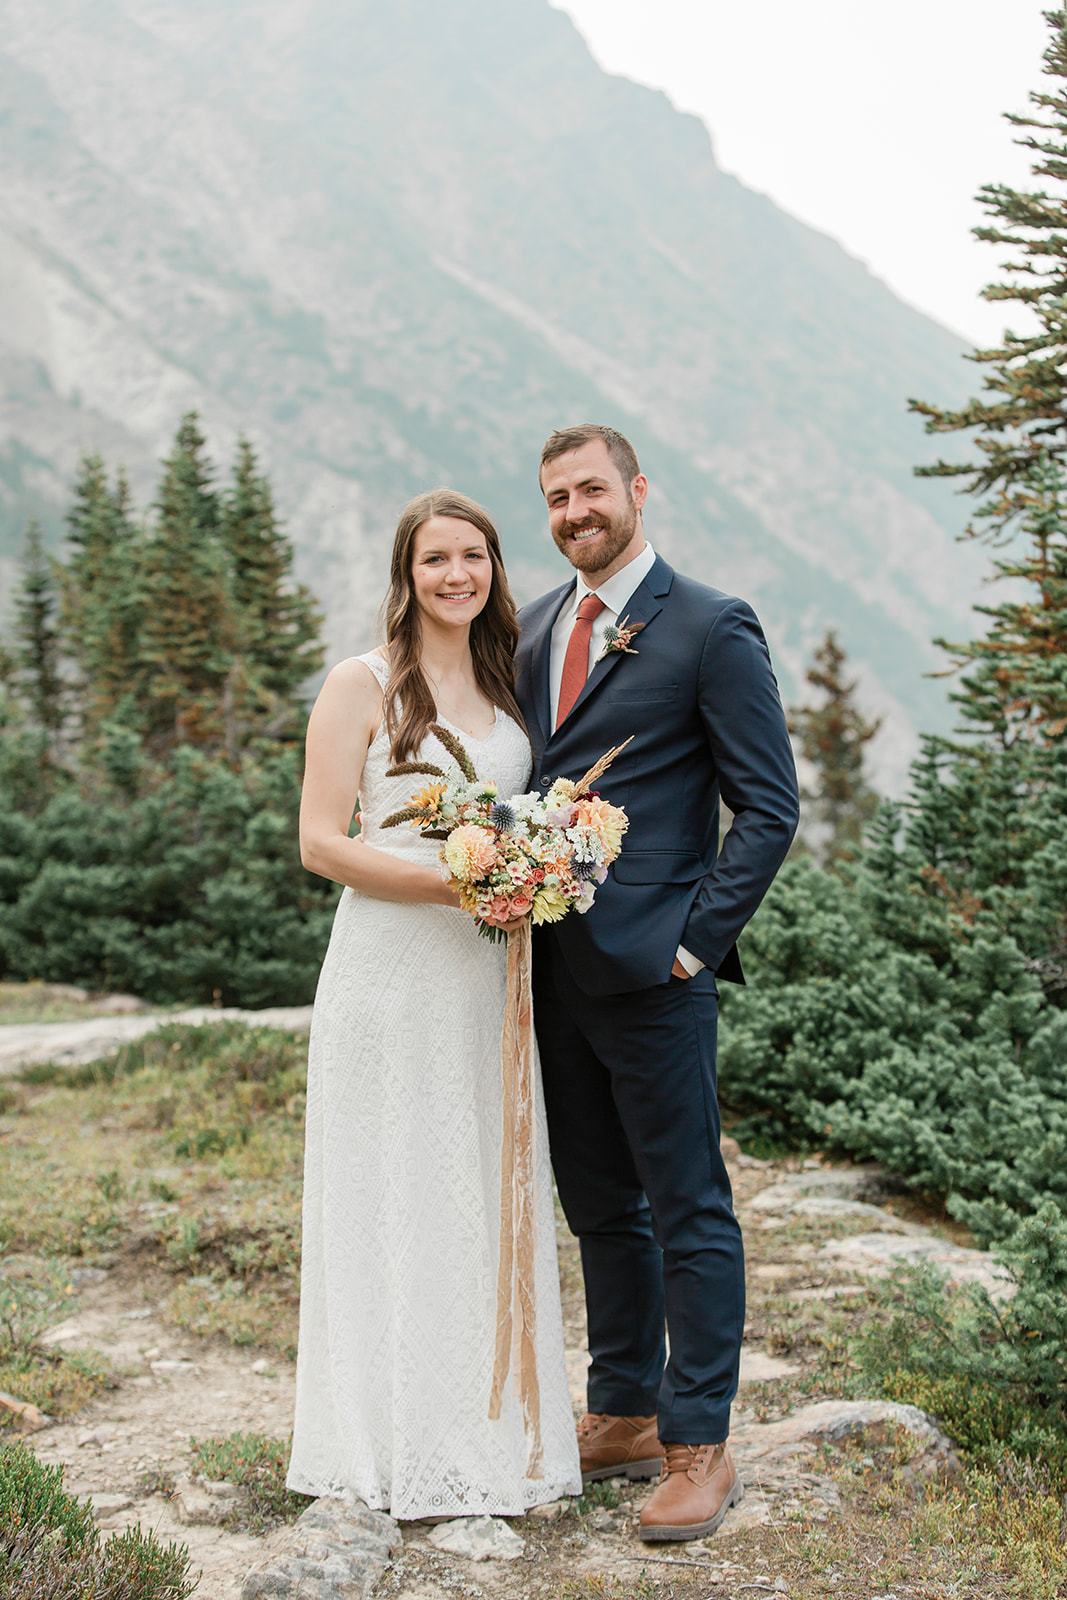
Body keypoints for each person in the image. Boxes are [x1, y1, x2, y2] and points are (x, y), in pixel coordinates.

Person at [515, 425, 799, 1542]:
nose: (573, 511)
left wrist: (692, 944)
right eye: (553, 497)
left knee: (686, 1206)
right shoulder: (534, 623)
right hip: (547, 971)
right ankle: (624, 1408)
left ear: (636, 491)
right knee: (599, 1207)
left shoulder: (710, 623)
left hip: (656, 975)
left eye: (590, 489)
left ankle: (698, 1443)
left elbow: (767, 807)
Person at [287, 489, 582, 1520]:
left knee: (480, 1191)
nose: (456, 575)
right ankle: (382, 1443)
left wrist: (536, 868)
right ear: (404, 575)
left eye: (474, 557)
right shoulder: (360, 683)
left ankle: (481, 1435)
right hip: (386, 967)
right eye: (434, 560)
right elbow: (321, 841)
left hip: (485, 977)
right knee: (390, 1187)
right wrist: (459, 884)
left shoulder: (509, 687)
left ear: (494, 571)